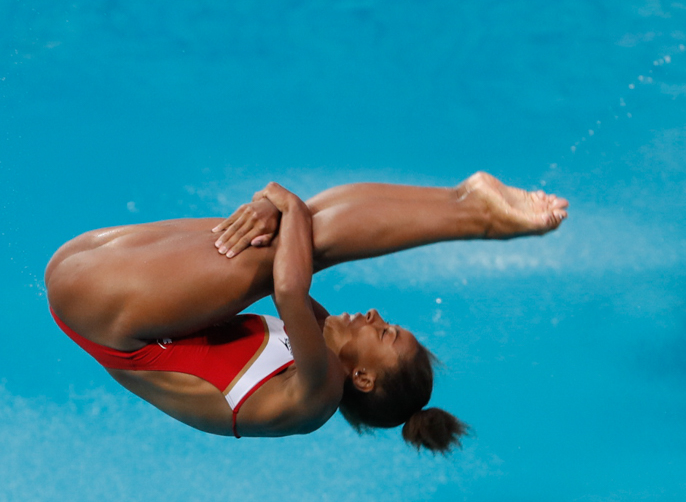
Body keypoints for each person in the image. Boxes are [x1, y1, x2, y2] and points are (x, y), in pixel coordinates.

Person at [46, 173, 568, 452]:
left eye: (383, 332)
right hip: (89, 275)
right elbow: (292, 255)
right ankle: (463, 200)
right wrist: (281, 211)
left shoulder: (318, 396)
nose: (372, 314)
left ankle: (476, 215)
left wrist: (283, 201)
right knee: (291, 232)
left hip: (100, 307)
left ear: (361, 378)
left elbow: (290, 289)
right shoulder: (318, 353)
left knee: (297, 233)